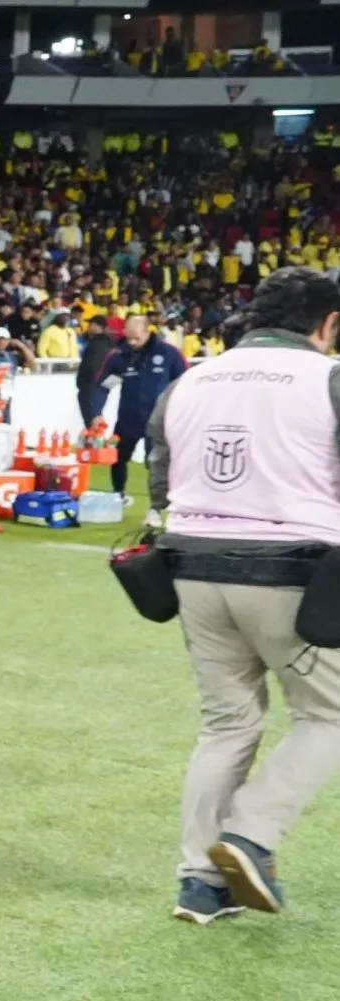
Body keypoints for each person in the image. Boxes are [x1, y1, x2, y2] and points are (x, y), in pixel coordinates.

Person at [146, 269, 340, 924]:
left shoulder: (190, 378)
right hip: (295, 572)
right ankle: (250, 835)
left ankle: (199, 881)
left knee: (226, 723)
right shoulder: (327, 378)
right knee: (328, 714)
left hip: (191, 568)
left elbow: (158, 480)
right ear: (327, 323)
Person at [104, 314, 187, 502]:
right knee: (118, 458)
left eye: (136, 338)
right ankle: (118, 494)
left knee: (156, 463)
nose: (132, 342)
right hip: (128, 418)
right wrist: (95, 412)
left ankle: (158, 504)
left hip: (158, 419)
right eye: (129, 337)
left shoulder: (169, 353)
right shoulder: (120, 355)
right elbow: (103, 384)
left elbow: (185, 382)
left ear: (147, 332)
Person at [75, 313, 116, 426]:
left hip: (91, 386)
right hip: (98, 387)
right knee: (95, 417)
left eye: (91, 324)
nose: (89, 327)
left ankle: (94, 443)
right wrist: (105, 387)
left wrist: (90, 384)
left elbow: (93, 366)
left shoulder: (98, 344)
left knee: (92, 421)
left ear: (99, 327)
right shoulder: (109, 343)